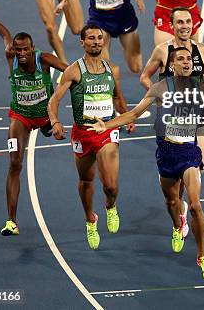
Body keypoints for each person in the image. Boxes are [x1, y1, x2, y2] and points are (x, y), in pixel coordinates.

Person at [86, 47, 204, 281]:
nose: (186, 62)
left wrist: (203, 158)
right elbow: (134, 114)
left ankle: (202, 257)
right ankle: (178, 225)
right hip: (166, 154)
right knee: (172, 201)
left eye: (189, 59)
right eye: (181, 59)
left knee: (196, 205)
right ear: (172, 66)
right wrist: (108, 125)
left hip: (189, 153)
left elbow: (203, 127)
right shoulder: (160, 89)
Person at [0, 0, 67, 236]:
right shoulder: (11, 55)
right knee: (15, 163)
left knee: (48, 126)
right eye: (17, 50)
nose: (20, 53)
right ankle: (12, 221)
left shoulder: (44, 60)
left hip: (45, 113)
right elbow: (4, 34)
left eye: (24, 50)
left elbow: (69, 71)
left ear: (32, 48)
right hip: (20, 116)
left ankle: (48, 127)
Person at [47, 24, 134, 249]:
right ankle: (90, 220)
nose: (96, 42)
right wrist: (55, 121)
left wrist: (127, 116)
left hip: (106, 131)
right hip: (83, 134)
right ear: (82, 43)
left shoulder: (112, 69)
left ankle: (110, 205)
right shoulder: (74, 71)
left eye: (99, 38)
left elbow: (118, 97)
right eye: (91, 38)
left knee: (111, 186)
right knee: (86, 181)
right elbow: (54, 100)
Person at [140, 6, 204, 235]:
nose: (185, 26)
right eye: (180, 22)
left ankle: (187, 205)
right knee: (175, 183)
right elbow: (144, 76)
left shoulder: (202, 49)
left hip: (196, 117)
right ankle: (179, 208)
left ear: (194, 24)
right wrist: (158, 96)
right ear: (172, 26)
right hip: (170, 122)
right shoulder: (163, 50)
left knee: (198, 165)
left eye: (188, 22)